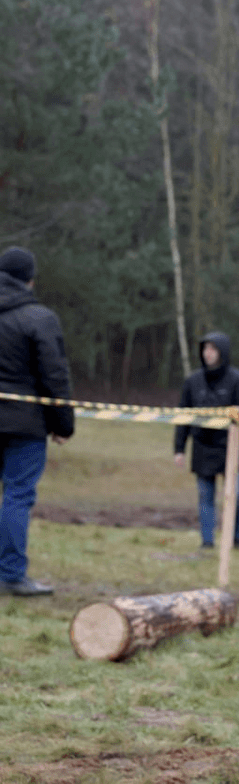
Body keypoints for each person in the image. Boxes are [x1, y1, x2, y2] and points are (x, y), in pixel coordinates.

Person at [0, 247, 73, 596]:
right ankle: (12, 575)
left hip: (20, 420)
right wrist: (63, 424)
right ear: (30, 278)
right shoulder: (39, 318)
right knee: (17, 496)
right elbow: (55, 375)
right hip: (24, 425)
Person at [173, 332, 239, 552]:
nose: (208, 353)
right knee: (205, 496)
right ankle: (207, 541)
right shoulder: (193, 381)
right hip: (201, 448)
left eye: (213, 349)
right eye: (205, 349)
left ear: (223, 352)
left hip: (230, 448)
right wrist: (179, 448)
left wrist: (235, 441)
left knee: (236, 497)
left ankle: (237, 538)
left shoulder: (237, 380)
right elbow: (183, 416)